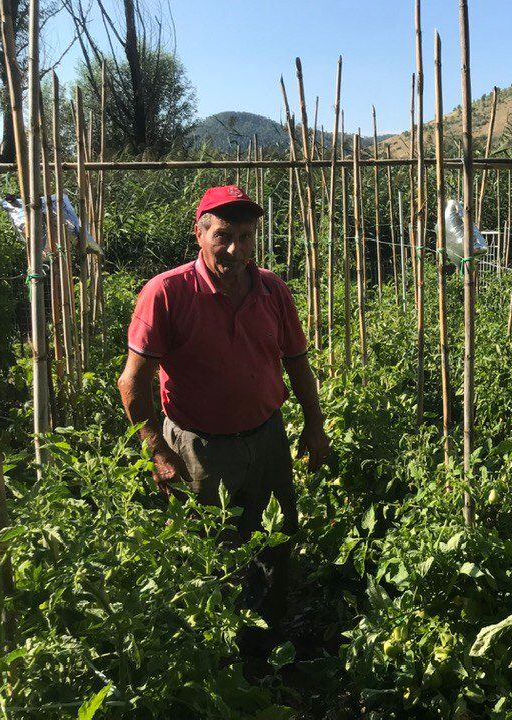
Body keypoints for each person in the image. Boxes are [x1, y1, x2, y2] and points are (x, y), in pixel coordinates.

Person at [117, 184, 330, 652]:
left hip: (267, 437)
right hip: (201, 447)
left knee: (276, 539)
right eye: (224, 237)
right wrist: (158, 452)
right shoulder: (167, 292)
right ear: (200, 234)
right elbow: (132, 383)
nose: (236, 249)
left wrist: (314, 426)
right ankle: (219, 653)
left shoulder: (272, 289)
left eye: (246, 237)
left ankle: (270, 642)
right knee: (212, 550)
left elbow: (297, 363)